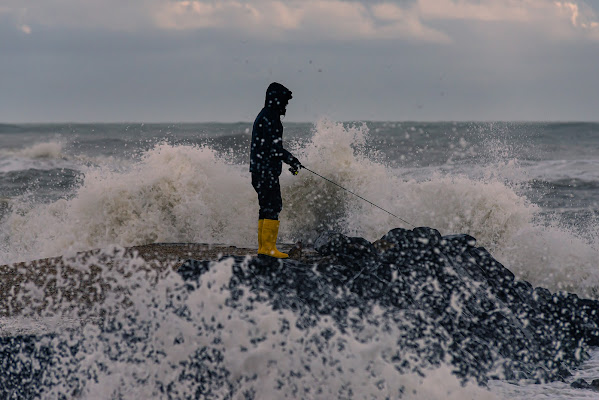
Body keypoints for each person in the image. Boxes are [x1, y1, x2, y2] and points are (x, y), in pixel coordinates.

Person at [250, 82, 302, 258]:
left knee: (266, 207)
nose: (286, 105)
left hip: (259, 170)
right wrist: (292, 160)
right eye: (284, 101)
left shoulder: (265, 115)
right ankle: (268, 249)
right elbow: (274, 149)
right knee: (273, 206)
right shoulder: (270, 118)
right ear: (276, 100)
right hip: (265, 171)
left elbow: (272, 147)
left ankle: (264, 249)